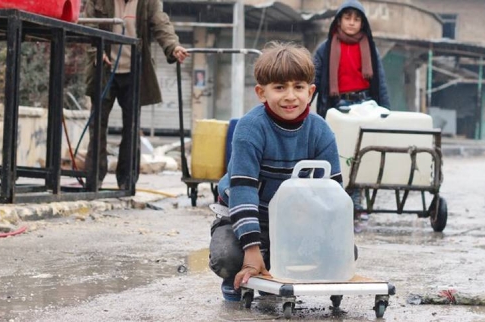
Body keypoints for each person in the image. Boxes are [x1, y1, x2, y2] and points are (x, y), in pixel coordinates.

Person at [208, 42, 355, 302]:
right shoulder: (250, 128)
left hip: (295, 224)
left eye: (298, 87)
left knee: (346, 251)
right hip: (247, 217)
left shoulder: (320, 131)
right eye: (279, 87)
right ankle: (238, 277)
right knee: (228, 257)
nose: (290, 96)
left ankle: (271, 271)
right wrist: (251, 249)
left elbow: (333, 197)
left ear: (310, 92)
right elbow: (243, 191)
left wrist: (329, 246)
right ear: (261, 92)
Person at [84, 0, 189, 190]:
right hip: (104, 69)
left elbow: (161, 24)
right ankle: (94, 178)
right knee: (97, 125)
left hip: (133, 71)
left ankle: (127, 180)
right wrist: (95, 51)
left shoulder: (148, 2)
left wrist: (173, 46)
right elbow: (88, 24)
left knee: (131, 128)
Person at [313, 0, 391, 227]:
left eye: (356, 19)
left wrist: (387, 111)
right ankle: (337, 201)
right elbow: (314, 80)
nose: (351, 23)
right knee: (339, 155)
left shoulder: (370, 47)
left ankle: (356, 203)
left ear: (362, 23)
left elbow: (381, 82)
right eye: (347, 18)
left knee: (363, 152)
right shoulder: (325, 48)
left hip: (366, 105)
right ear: (339, 20)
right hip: (337, 108)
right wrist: (302, 107)